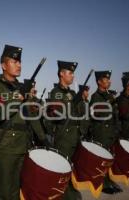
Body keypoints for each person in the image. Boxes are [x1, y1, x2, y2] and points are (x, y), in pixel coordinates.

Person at [0, 44, 47, 200]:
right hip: (5, 147)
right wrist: (16, 98)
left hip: (23, 144)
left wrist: (43, 138)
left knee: (19, 189)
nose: (19, 65)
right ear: (3, 65)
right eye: (14, 62)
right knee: (5, 191)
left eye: (19, 62)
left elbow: (32, 116)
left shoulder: (23, 87)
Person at [47, 60, 82, 200]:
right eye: (70, 72)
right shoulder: (56, 93)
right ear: (61, 74)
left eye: (73, 73)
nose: (73, 76)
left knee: (72, 169)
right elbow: (55, 115)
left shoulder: (72, 93)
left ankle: (71, 194)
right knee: (64, 169)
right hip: (64, 137)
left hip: (74, 135)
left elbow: (79, 114)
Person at [89, 70, 122, 194]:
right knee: (101, 160)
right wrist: (108, 103)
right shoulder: (95, 97)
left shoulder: (109, 96)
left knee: (109, 159)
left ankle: (108, 180)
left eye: (109, 80)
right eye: (106, 80)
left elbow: (115, 114)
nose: (109, 82)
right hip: (101, 132)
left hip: (110, 132)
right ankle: (102, 184)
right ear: (99, 82)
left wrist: (117, 128)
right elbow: (95, 113)